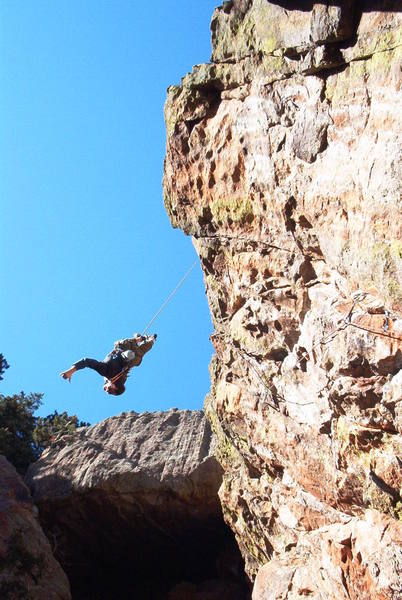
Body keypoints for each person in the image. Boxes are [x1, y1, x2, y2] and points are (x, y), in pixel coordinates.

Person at [60, 333, 157, 396]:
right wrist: (70, 372)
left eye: (107, 391)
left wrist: (71, 371)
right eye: (110, 390)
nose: (106, 390)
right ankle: (144, 339)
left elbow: (87, 362)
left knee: (137, 351)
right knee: (131, 350)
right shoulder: (105, 372)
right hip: (127, 350)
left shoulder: (112, 375)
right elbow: (86, 361)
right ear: (114, 385)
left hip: (131, 354)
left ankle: (146, 340)